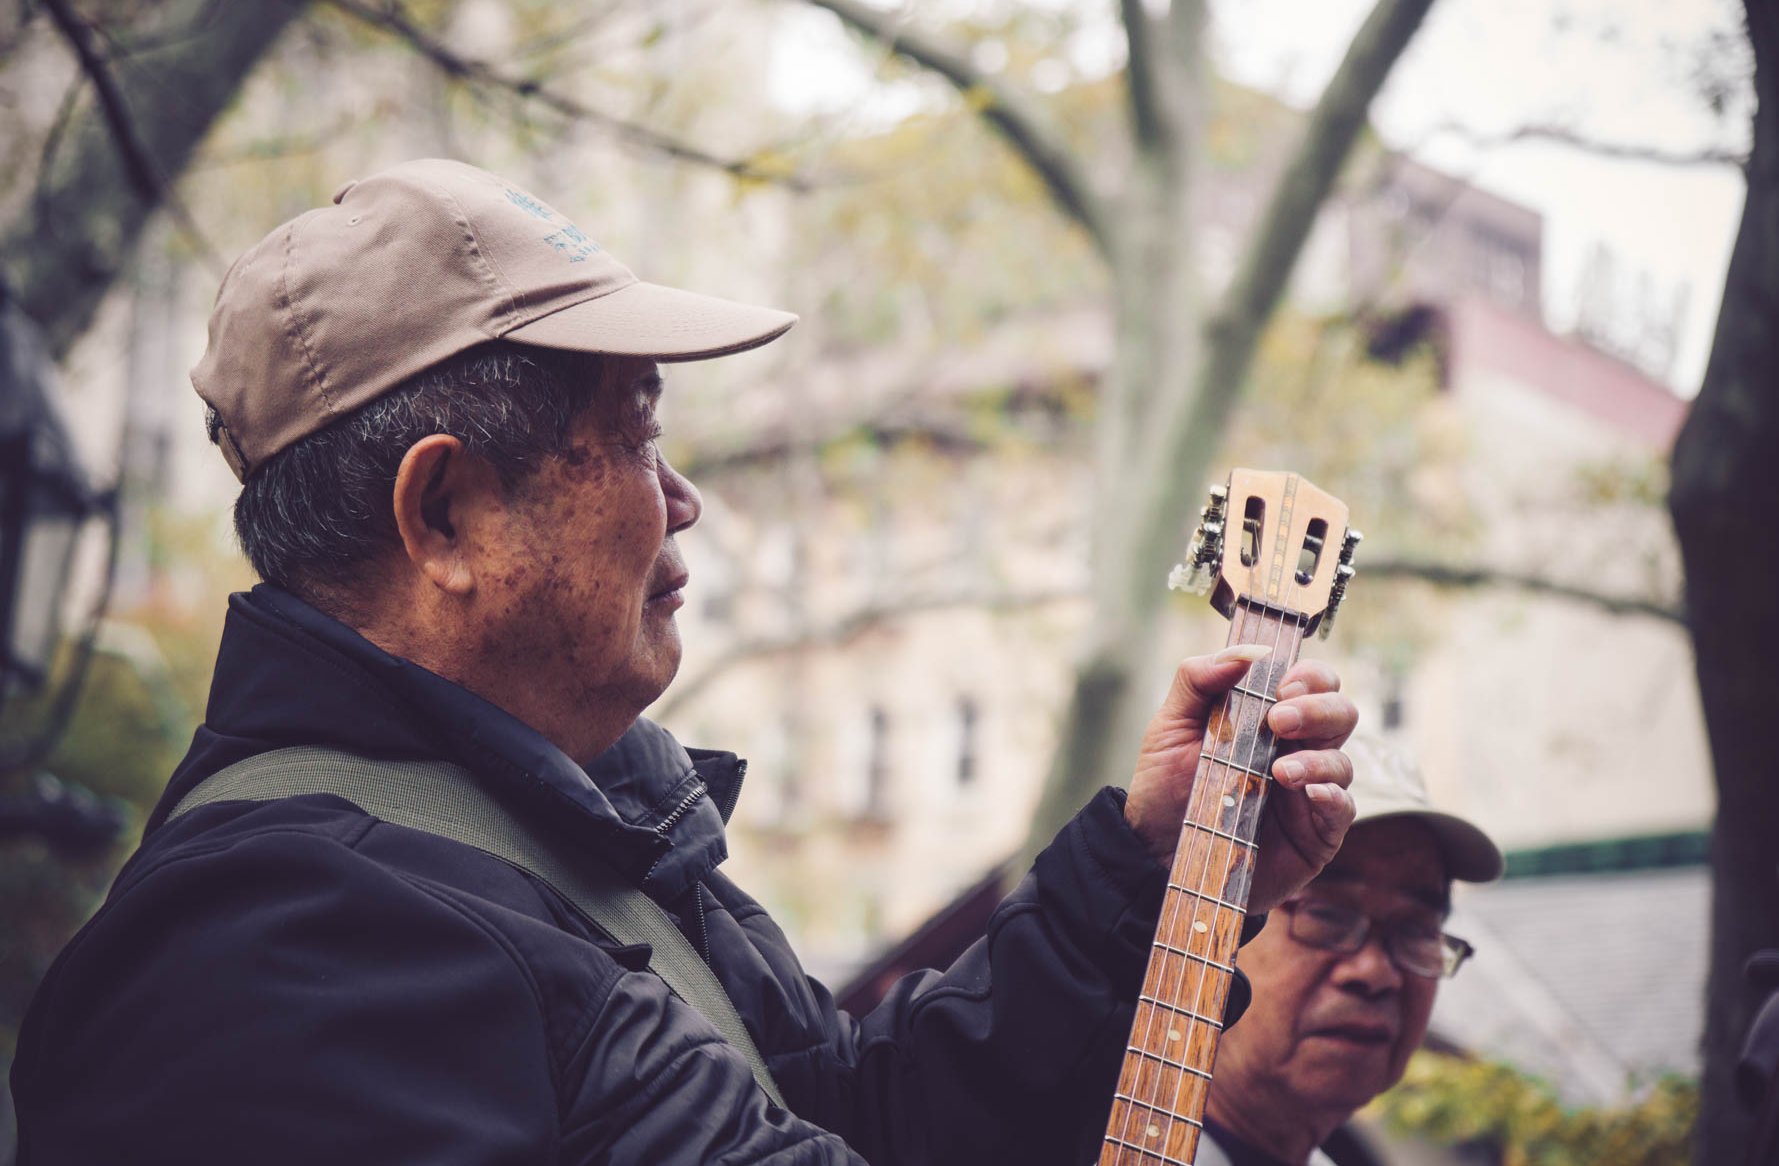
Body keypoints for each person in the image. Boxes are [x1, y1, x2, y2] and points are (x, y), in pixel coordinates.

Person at [9, 159, 1359, 1164]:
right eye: (638, 438)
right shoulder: (285, 947)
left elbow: (863, 1119)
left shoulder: (595, 841)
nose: (685, 498)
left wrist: (1145, 867)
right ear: (448, 518)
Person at [1196, 731, 1505, 1166]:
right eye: (1328, 915)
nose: (1375, 972)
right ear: (1209, 927)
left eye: (1416, 930)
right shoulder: (1105, 1144)